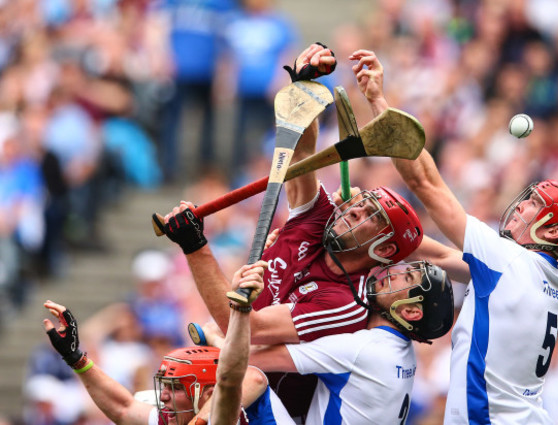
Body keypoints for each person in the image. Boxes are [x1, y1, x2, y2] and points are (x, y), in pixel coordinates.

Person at [158, 43, 424, 421]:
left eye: (368, 216)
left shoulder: (344, 303)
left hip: (265, 408)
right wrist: (305, 90)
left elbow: (243, 328)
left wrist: (195, 247)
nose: (353, 210)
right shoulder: (322, 219)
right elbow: (300, 157)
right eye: (362, 203)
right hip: (232, 387)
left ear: (382, 249)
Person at [349, 49, 558, 424]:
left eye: (533, 205)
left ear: (552, 230)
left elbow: (424, 183)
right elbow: (440, 258)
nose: (519, 208)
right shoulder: (546, 278)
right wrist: (375, 222)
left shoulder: (509, 261)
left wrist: (378, 101)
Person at [203, 257, 454, 425]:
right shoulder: (402, 352)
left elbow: (245, 359)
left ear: (410, 313)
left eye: (406, 278)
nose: (394, 274)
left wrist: (213, 336)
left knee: (251, 379)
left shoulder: (364, 349)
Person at [40, 263, 284, 425]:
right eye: (166, 385)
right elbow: (122, 409)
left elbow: (251, 378)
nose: (163, 396)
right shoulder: (174, 416)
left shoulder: (237, 401)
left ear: (208, 394)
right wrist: (75, 357)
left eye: (176, 387)